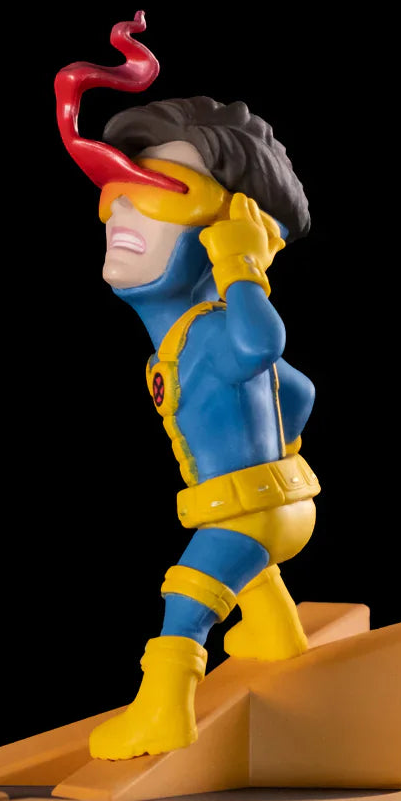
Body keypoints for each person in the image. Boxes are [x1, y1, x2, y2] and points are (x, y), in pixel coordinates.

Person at [80, 96, 320, 760]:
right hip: (276, 505)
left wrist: (241, 265)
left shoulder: (214, 334)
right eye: (115, 195)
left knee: (187, 596)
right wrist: (278, 452)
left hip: (247, 512)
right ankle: (274, 631)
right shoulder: (183, 341)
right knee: (244, 567)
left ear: (230, 229)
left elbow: (262, 346)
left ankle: (163, 712)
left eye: (162, 194)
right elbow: (299, 390)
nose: (122, 211)